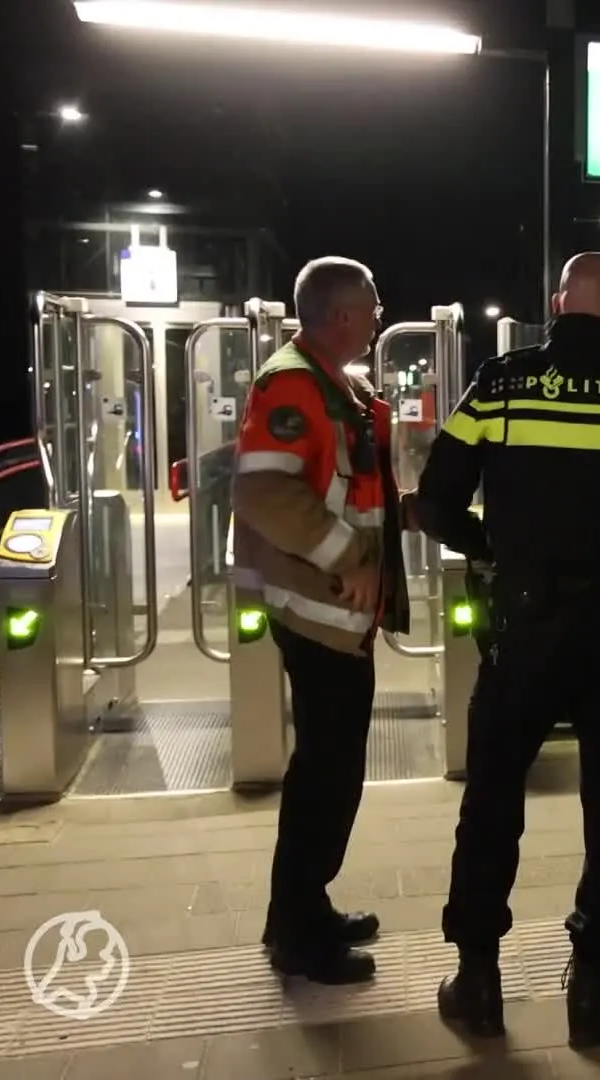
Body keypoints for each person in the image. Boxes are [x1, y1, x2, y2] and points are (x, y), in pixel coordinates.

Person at [413, 253, 600, 1048]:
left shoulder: (502, 385)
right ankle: (590, 983)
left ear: (556, 304)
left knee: (493, 802)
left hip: (527, 626)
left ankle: (477, 976)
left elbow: (434, 502)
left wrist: (492, 549)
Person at [231, 255, 410, 984]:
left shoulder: (335, 384)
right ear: (341, 314)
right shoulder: (293, 384)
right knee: (325, 778)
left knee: (331, 774)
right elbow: (264, 493)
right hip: (320, 610)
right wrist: (350, 558)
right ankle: (297, 934)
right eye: (371, 306)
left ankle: (304, 907)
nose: (376, 316)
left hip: (340, 614)